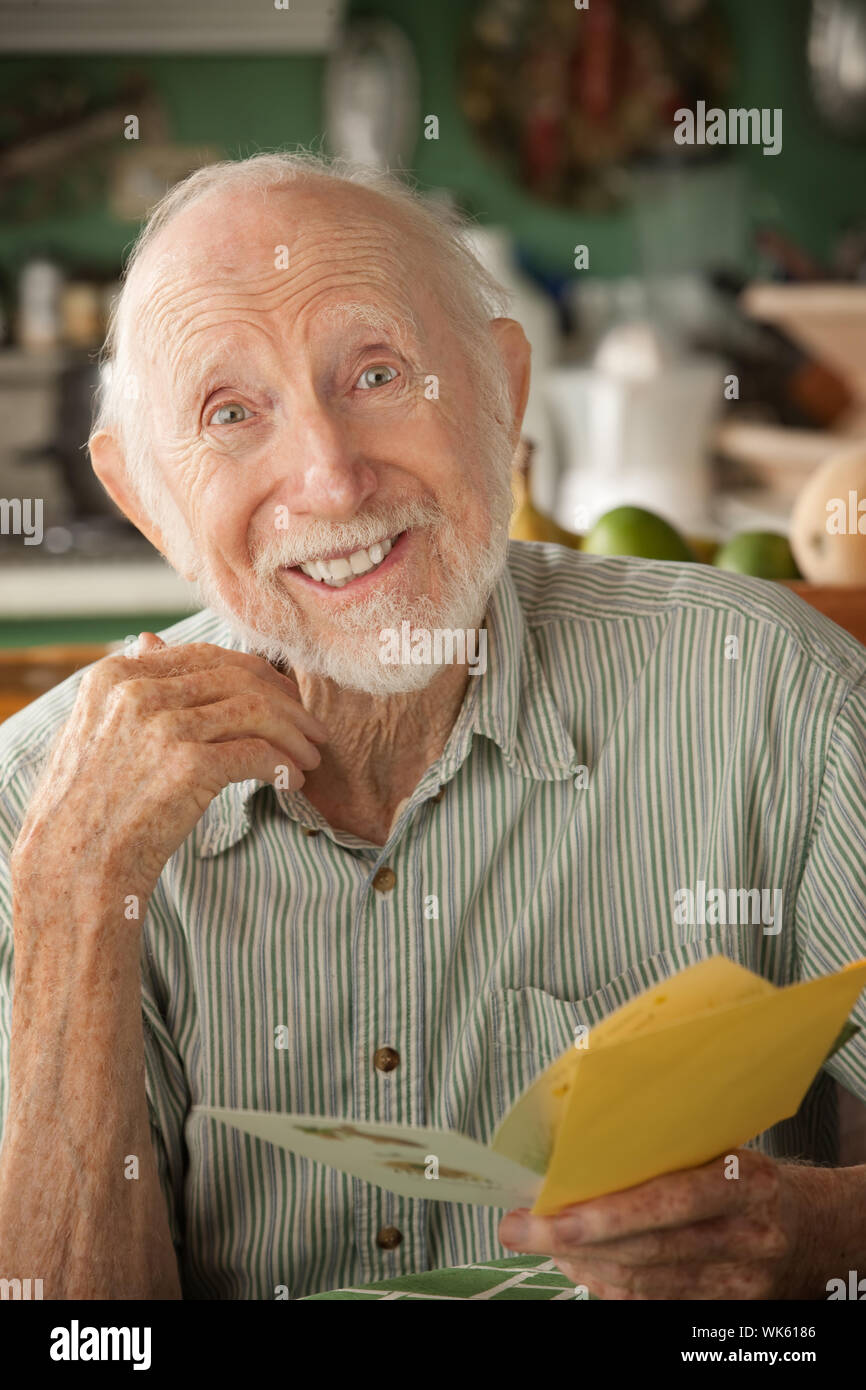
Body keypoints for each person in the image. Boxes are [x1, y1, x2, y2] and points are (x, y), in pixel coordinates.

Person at [0, 152, 865, 1301]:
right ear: (142, 494)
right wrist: (71, 900)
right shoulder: (35, 805)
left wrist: (803, 1230)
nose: (331, 479)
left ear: (500, 389)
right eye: (230, 413)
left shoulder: (777, 693)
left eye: (375, 373)